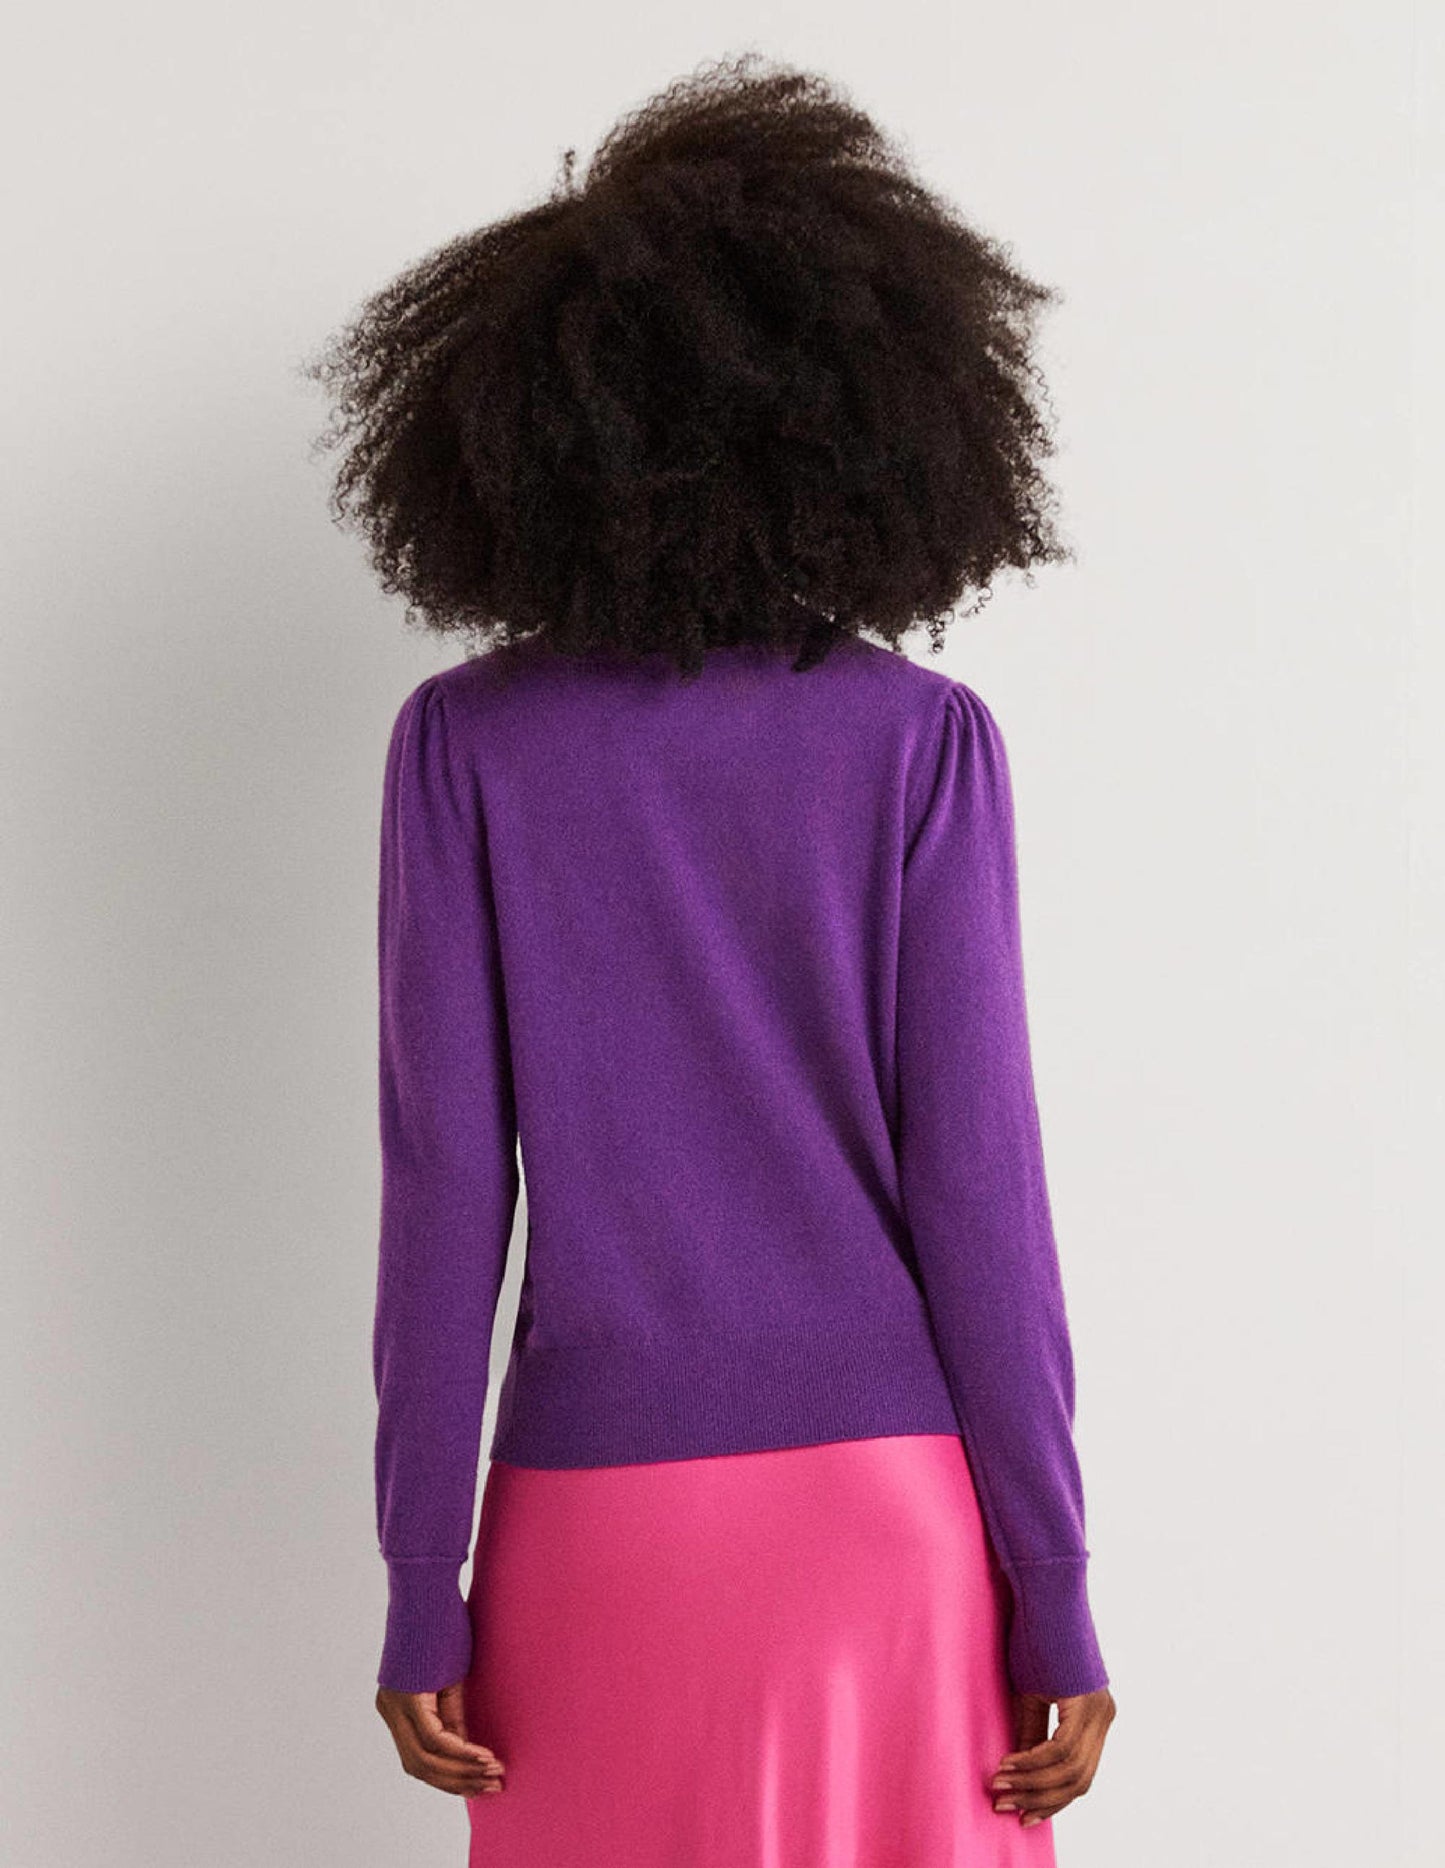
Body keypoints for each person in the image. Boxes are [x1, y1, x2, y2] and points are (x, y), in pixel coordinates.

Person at [303, 51, 1116, 1865]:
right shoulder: (916, 743)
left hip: (593, 1525)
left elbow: (444, 1192)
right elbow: (979, 1188)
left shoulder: (469, 745)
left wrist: (421, 1575)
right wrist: (1052, 1585)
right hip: (886, 1519)